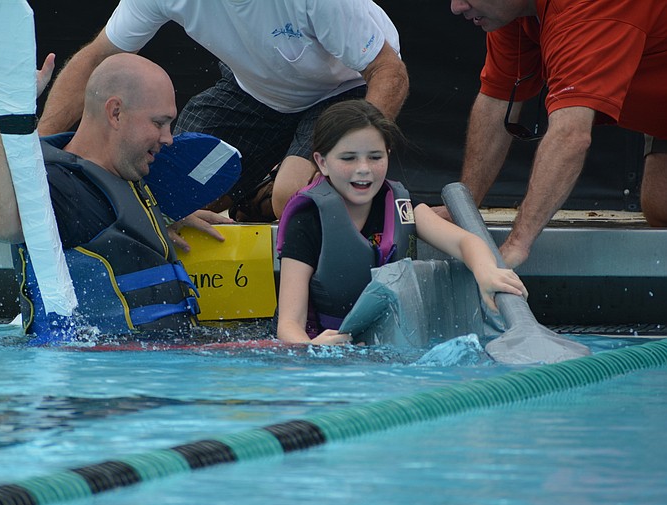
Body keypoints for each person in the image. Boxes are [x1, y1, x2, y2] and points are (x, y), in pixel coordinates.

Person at [36, 0, 410, 222]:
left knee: (295, 199)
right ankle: (256, 193)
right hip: (255, 91)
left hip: (343, 88)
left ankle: (277, 192)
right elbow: (95, 60)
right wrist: (37, 154)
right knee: (171, 200)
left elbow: (389, 71)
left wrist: (357, 155)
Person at [0, 53, 228, 340]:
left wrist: (161, 219)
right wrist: (11, 114)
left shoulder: (126, 176)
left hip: (157, 354)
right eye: (159, 123)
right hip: (107, 363)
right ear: (115, 113)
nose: (168, 138)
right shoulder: (60, 185)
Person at [275, 100, 527, 345]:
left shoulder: (401, 206)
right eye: (348, 158)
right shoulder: (307, 221)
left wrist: (486, 271)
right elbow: (288, 325)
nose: (363, 168)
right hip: (327, 344)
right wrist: (314, 347)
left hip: (391, 340)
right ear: (322, 162)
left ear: (388, 155)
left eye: (375, 157)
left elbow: (465, 242)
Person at [448, 0, 667, 268]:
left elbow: (571, 134)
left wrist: (517, 246)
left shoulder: (588, 8)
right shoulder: (510, 12)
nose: (456, 7)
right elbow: (497, 99)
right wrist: (464, 208)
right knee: (661, 205)